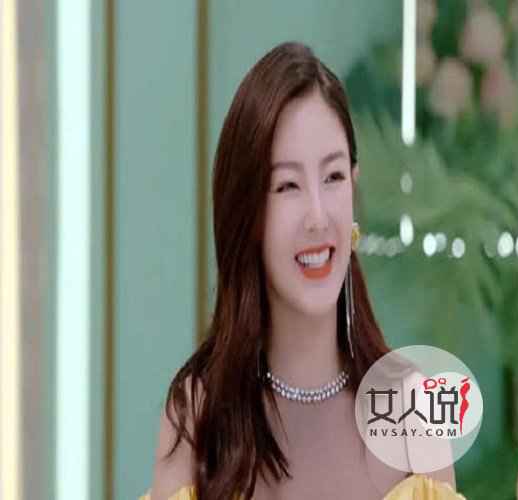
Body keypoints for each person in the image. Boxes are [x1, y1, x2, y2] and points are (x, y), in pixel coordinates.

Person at [140, 41, 465, 500]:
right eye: (287, 185)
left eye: (333, 177)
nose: (317, 216)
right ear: (248, 212)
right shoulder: (197, 416)